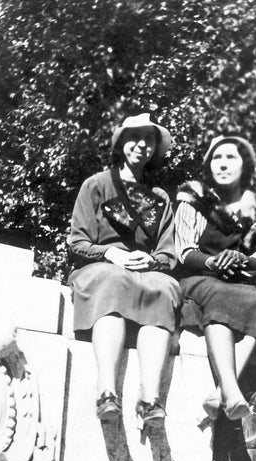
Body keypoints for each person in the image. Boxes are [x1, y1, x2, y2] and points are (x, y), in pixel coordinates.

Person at [68, 113, 181, 428]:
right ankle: (107, 393)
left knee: (165, 288)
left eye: (149, 140)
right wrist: (110, 252)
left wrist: (151, 261)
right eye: (135, 137)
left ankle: (150, 400)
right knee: (115, 279)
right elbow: (77, 242)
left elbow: (167, 252)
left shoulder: (159, 198)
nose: (142, 145)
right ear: (121, 143)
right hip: (100, 268)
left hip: (144, 273)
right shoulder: (97, 185)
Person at [174, 135, 256, 421]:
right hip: (199, 279)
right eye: (217, 158)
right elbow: (182, 250)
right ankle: (232, 393)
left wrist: (243, 260)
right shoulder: (194, 198)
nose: (223, 164)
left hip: (240, 283)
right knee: (220, 296)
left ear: (245, 165)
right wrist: (213, 261)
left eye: (231, 158)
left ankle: (219, 392)